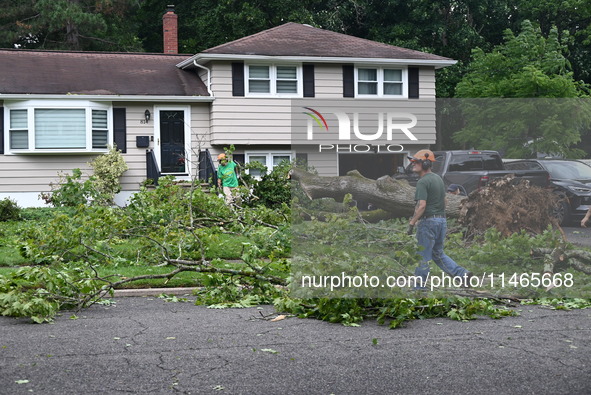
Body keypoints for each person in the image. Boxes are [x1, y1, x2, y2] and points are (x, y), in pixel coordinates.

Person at [407, 149, 472, 288]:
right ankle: (462, 275)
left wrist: (412, 222)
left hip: (428, 222)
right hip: (441, 221)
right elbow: (445, 202)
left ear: (425, 163)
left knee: (423, 256)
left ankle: (418, 288)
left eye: (415, 162)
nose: (412, 165)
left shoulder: (423, 182)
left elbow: (422, 206)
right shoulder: (438, 179)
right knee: (437, 253)